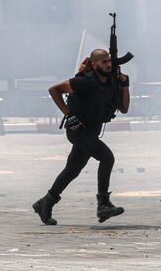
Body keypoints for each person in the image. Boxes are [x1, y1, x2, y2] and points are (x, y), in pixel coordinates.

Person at [32, 49, 129, 225]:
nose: (108, 65)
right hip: (78, 130)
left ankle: (46, 202)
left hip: (92, 130)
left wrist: (125, 85)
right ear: (94, 64)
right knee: (107, 158)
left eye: (109, 62)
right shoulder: (85, 82)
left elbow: (124, 108)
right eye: (103, 62)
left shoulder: (112, 83)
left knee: (73, 169)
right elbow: (54, 90)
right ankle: (103, 204)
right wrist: (68, 114)